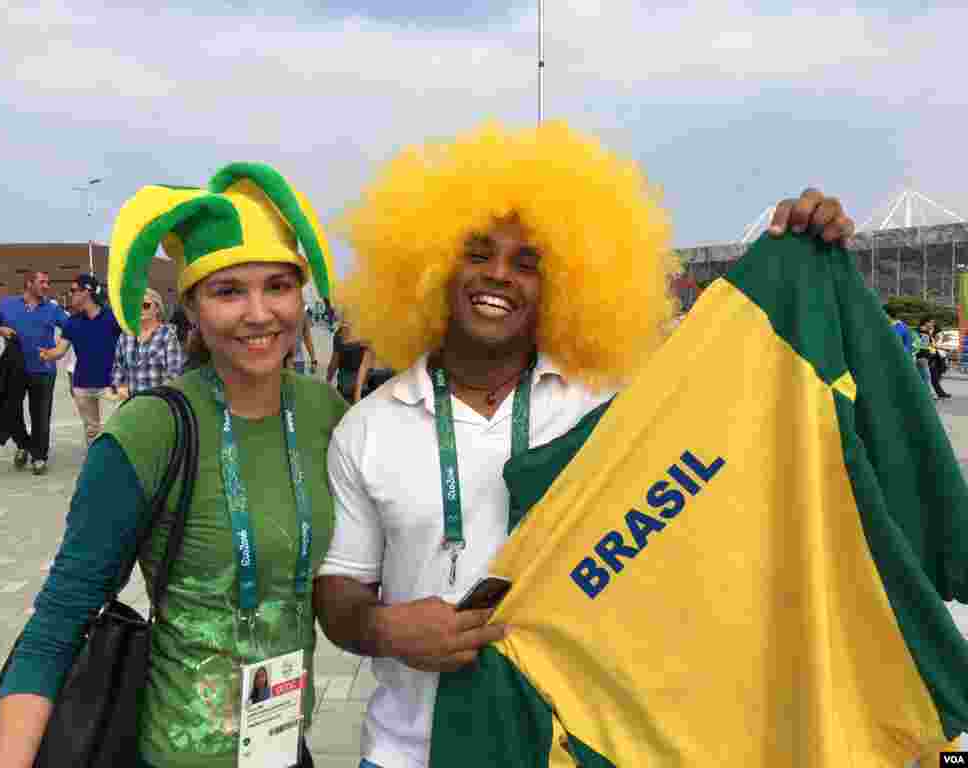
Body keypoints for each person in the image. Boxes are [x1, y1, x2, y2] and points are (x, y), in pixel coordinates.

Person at [312, 121, 856, 768]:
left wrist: (798, 256)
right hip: (408, 752)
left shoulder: (613, 405)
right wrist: (383, 629)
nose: (499, 276)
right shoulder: (368, 426)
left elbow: (745, 413)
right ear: (428, 267)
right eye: (477, 253)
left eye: (528, 262)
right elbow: (341, 587)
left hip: (576, 748)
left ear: (566, 285)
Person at [0, 162, 346, 768]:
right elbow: (58, 625)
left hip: (286, 749)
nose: (259, 313)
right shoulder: (149, 431)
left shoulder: (326, 414)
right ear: (194, 308)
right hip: (175, 754)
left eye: (279, 286)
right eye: (229, 291)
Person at [0, 271, 68, 475]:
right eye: (42, 282)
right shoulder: (7, 304)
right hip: (14, 370)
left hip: (44, 370)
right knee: (12, 413)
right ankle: (23, 444)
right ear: (29, 284)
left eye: (48, 282)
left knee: (40, 416)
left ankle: (39, 457)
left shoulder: (52, 308)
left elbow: (72, 327)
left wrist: (58, 349)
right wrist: (0, 330)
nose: (47, 286)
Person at [39, 274, 122, 446]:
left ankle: (113, 464)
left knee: (111, 429)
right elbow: (60, 351)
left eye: (74, 290)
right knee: (91, 430)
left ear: (87, 291)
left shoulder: (113, 317)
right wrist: (48, 354)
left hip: (109, 384)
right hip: (82, 385)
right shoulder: (72, 322)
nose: (71, 294)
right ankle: (96, 464)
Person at [111, 287, 185, 398]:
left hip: (158, 402)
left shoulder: (167, 335)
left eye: (145, 305)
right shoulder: (126, 335)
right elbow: (118, 366)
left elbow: (175, 372)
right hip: (130, 401)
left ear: (157, 309)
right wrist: (119, 386)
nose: (140, 309)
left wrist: (160, 396)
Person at [326, 320, 370, 403]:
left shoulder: (340, 334)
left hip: (346, 386)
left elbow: (334, 363)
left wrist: (327, 382)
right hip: (364, 387)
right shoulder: (366, 332)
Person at [286, 310, 318, 375]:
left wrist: (313, 360)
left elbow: (307, 338)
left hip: (296, 362)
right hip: (291, 362)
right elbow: (307, 339)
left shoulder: (302, 314)